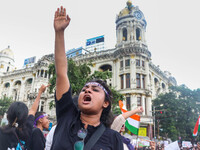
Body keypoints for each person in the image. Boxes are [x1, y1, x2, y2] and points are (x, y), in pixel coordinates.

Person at [50, 6, 123, 150]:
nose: (87, 91)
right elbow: (61, 73)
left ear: (106, 103)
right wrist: (59, 33)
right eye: (85, 89)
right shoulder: (66, 117)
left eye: (95, 90)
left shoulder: (113, 138)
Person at [0, 84, 49, 150]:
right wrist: (40, 92)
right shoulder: (27, 129)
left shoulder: (2, 131)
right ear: (24, 117)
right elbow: (33, 110)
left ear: (8, 115)